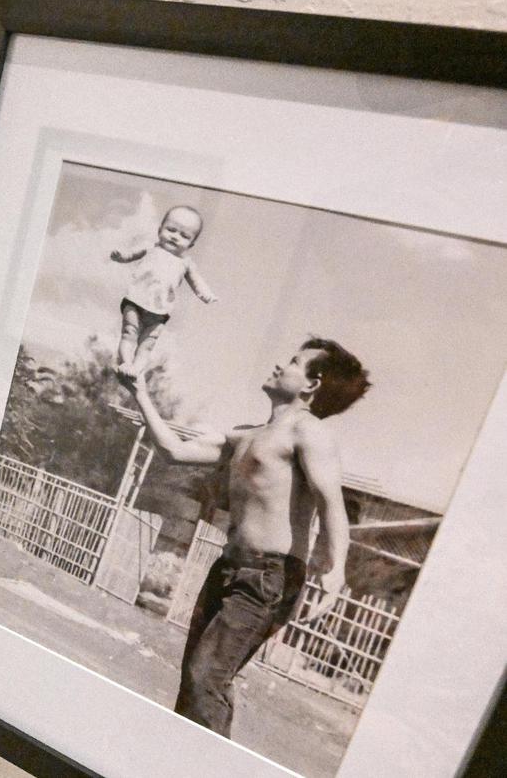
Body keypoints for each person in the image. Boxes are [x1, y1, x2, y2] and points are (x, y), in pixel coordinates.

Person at [119, 337, 370, 738]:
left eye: (293, 362)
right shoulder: (246, 435)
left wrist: (336, 570)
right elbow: (173, 450)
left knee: (207, 679)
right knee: (195, 678)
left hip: (268, 578)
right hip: (229, 567)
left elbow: (332, 504)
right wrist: (139, 392)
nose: (278, 364)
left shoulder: (309, 433)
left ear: (312, 384)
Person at [110, 205, 217, 378]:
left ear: (191, 244)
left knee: (147, 344)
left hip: (160, 310)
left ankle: (136, 369)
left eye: (184, 236)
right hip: (136, 300)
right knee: (129, 333)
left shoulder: (185, 263)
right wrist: (121, 256)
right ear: (160, 229)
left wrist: (206, 294)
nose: (175, 237)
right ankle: (127, 363)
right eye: (171, 230)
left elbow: (197, 282)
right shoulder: (151, 247)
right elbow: (131, 255)